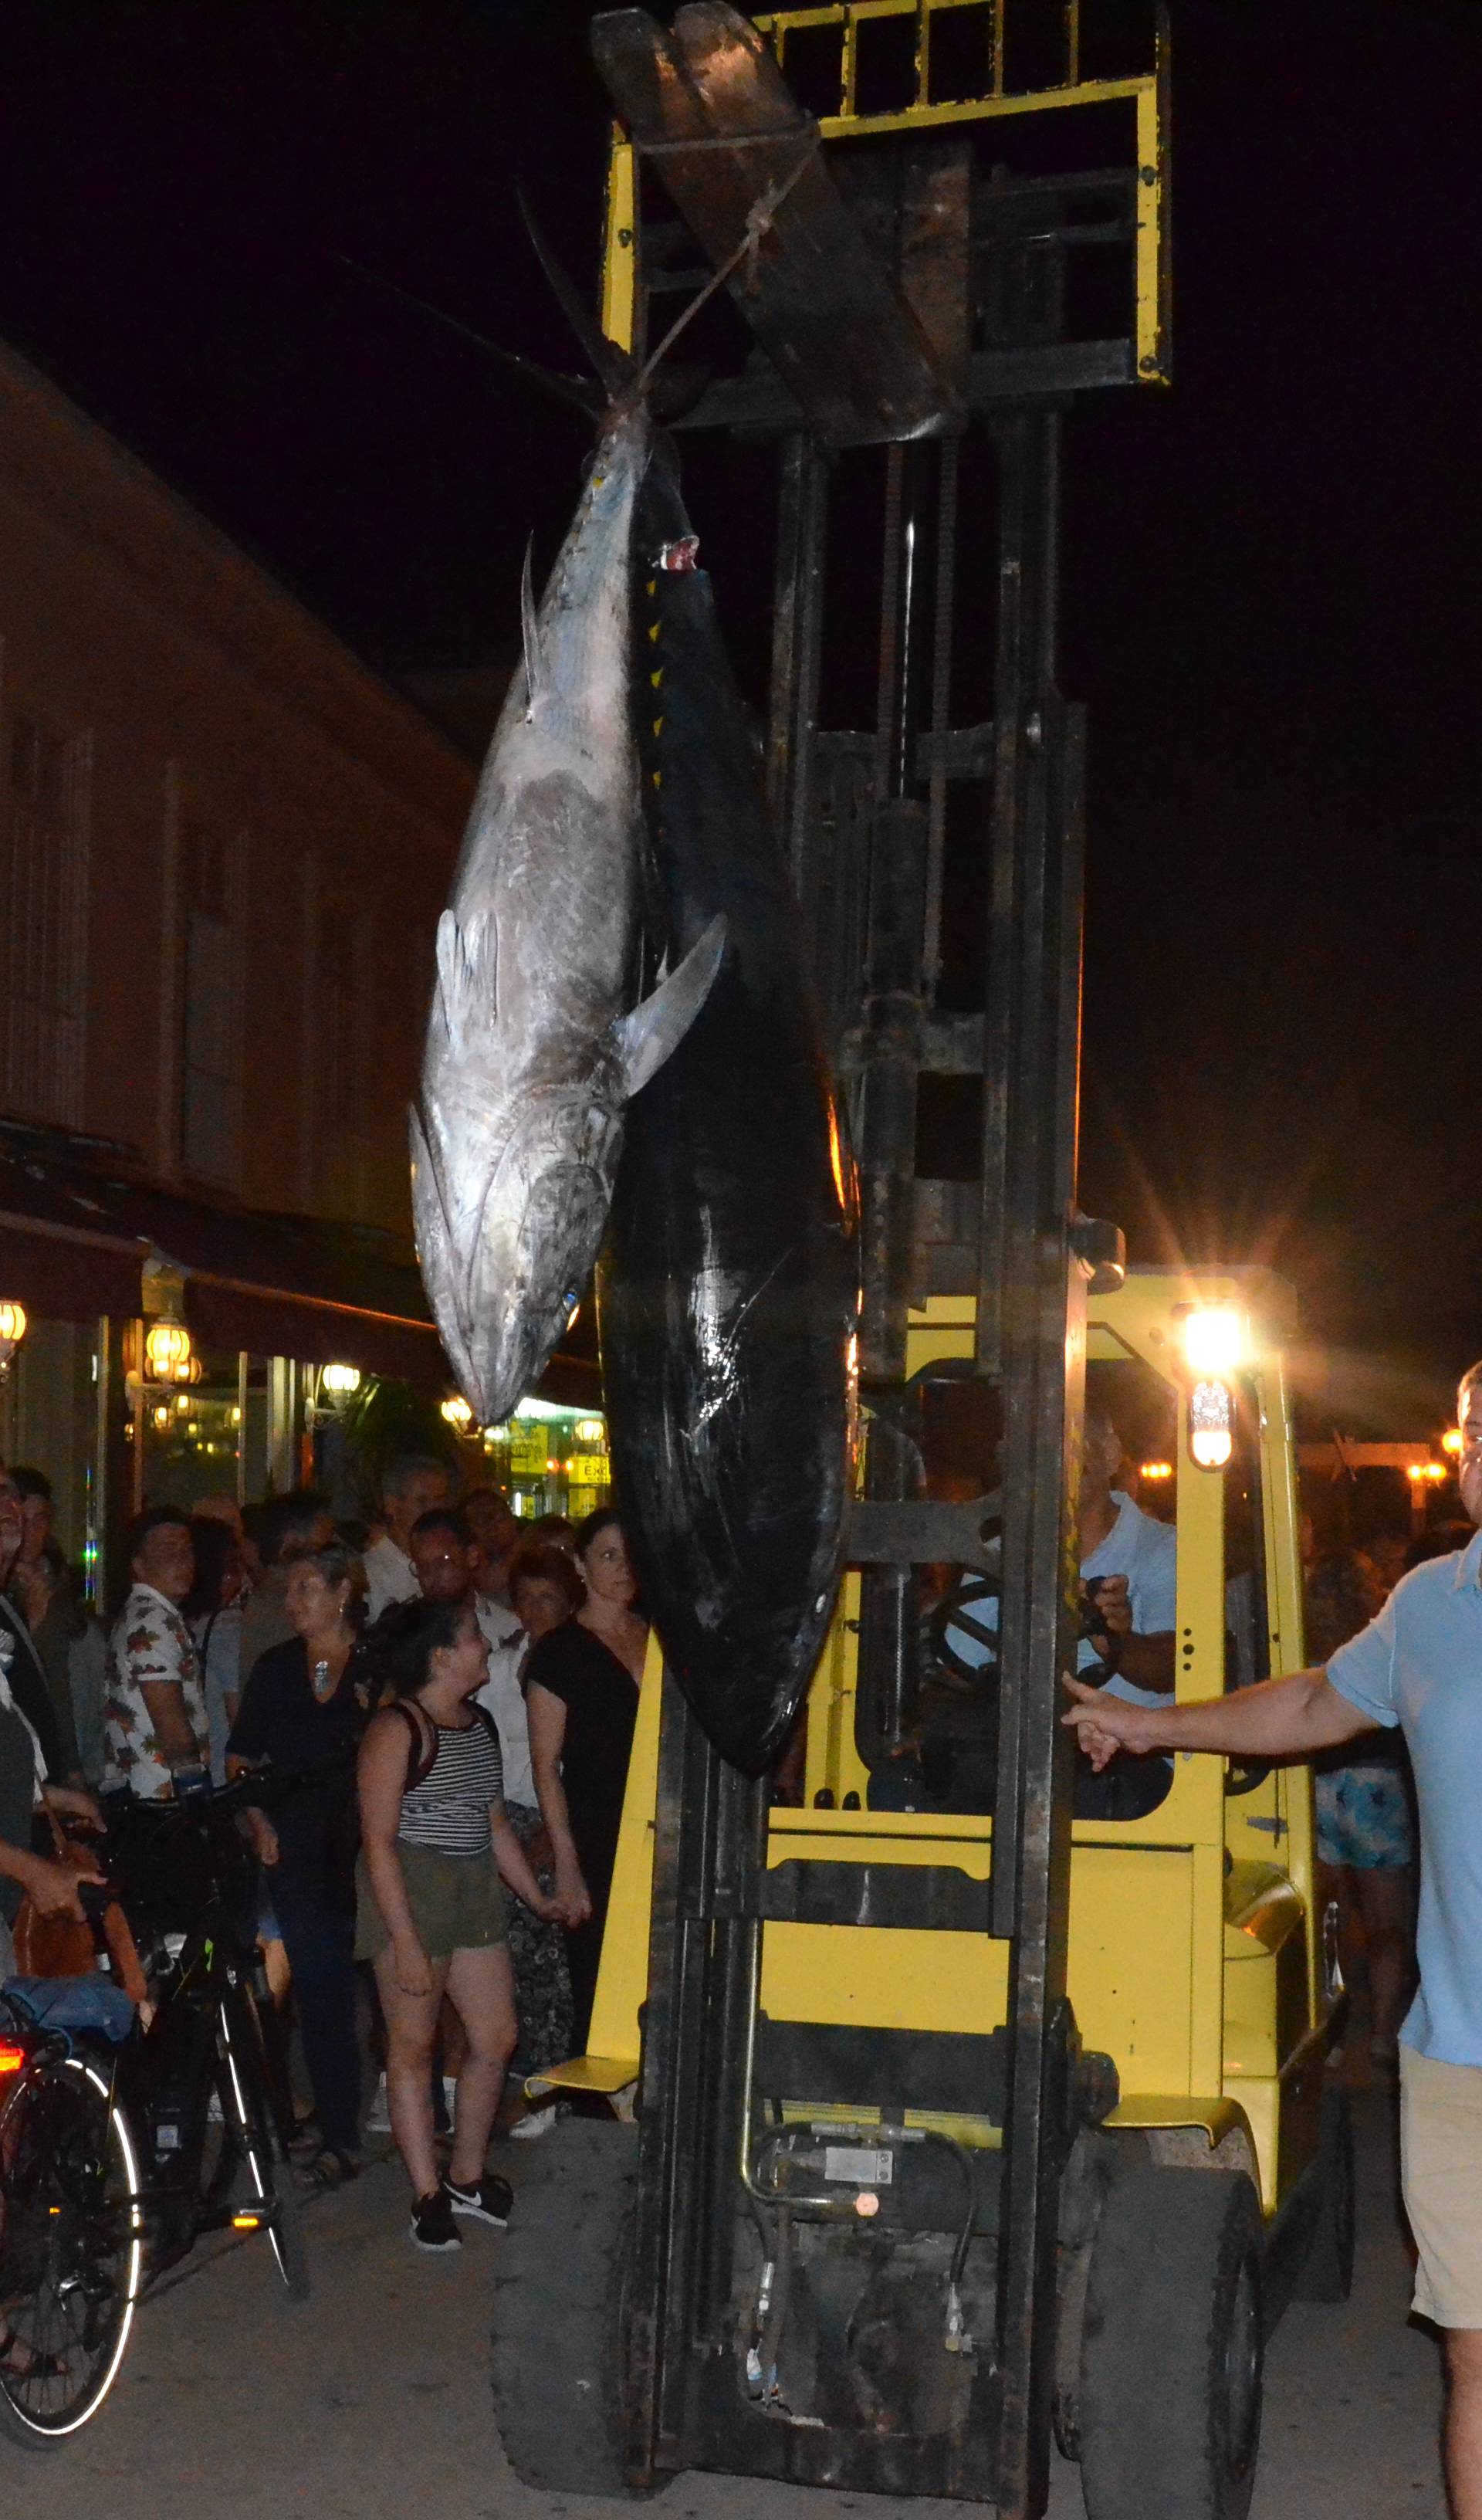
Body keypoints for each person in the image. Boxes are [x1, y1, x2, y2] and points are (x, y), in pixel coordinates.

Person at [1061, 1357, 1482, 2520]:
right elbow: (1305, 1706)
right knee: (1475, 2357)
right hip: (1459, 2055)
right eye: (1474, 1424)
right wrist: (1153, 1730)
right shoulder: (1432, 1604)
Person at [355, 1597, 565, 2251]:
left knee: (496, 2035)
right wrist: (406, 1941)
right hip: (412, 1890)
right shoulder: (397, 1729)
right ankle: (426, 2193)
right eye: (474, 1637)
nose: (486, 1646)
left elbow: (494, 1821)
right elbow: (379, 1841)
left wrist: (536, 1898)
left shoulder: (476, 1723)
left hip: (470, 1884)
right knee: (413, 2047)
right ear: (441, 1657)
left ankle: (467, 2175)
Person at [408, 1516, 575, 2134]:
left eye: (548, 1599)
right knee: (502, 1973)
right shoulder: (498, 1668)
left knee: (547, 1971)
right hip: (498, 1826)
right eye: (526, 1598)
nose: (534, 1610)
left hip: (555, 1821)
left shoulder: (576, 1664)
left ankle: (546, 2088)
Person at [229, 1541, 374, 2188]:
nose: (291, 1603)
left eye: (306, 1589)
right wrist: (257, 1818)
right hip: (294, 1845)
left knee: (380, 1985)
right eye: (289, 1591)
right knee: (318, 1987)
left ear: (344, 1592)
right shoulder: (277, 1668)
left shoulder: (376, 1664)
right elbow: (241, 1759)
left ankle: (404, 2109)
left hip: (368, 1848)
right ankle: (337, 2129)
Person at [525, 1509, 645, 2051]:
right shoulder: (560, 1652)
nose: (622, 1569)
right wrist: (567, 1861)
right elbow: (546, 1763)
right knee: (599, 1980)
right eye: (608, 1556)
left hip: (662, 1827)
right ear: (580, 1565)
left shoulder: (661, 1638)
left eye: (629, 1555)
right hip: (598, 1831)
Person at [1304, 1529, 1414, 2072]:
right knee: (1388, 1921)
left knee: (1343, 1912)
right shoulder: (1379, 1641)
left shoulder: (1305, 1643)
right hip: (1377, 1786)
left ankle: (1349, 2023)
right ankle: (1380, 2032)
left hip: (1323, 1786)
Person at [103, 1507, 209, 1799]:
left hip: (142, 1791)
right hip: (164, 1797)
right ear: (138, 1564)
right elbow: (170, 1722)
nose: (183, 1560)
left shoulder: (144, 1613)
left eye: (188, 1550)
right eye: (168, 1550)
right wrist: (197, 1795)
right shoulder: (152, 1620)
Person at [8, 1467, 103, 1785]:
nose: (31, 1533)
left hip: (77, 1738)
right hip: (34, 1754)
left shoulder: (56, 1579)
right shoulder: (12, 1593)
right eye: (22, 1521)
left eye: (41, 1520)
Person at [238, 1490, 334, 1687]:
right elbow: (319, 1679)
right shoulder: (284, 1601)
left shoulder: (273, 1594)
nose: (334, 1555)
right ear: (292, 1541)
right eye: (324, 1546)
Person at [184, 1514, 246, 1787]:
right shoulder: (226, 1627)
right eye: (232, 1566)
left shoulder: (181, 1624)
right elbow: (238, 1715)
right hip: (222, 1773)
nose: (240, 1575)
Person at [362, 1456, 452, 1623]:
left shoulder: (454, 1564)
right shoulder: (369, 1574)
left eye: (440, 1500)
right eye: (422, 1501)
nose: (434, 1510)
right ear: (392, 1505)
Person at [465, 1486, 519, 1608]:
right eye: (481, 1521)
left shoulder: (531, 1565)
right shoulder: (462, 1576)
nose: (492, 1527)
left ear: (512, 1522)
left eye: (499, 1518)